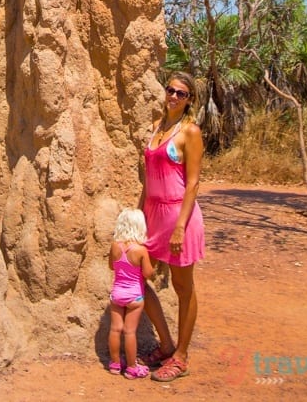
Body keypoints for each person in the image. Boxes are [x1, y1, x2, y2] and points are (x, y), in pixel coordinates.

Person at [140, 71, 205, 382]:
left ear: (190, 99)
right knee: (135, 274)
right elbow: (147, 179)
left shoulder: (190, 132)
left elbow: (192, 184)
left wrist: (180, 227)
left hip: (180, 216)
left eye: (182, 93)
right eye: (171, 90)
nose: (175, 96)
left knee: (183, 288)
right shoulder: (156, 129)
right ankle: (165, 344)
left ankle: (181, 355)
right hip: (152, 215)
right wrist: (140, 215)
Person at [107, 208, 154, 379]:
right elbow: (148, 273)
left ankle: (114, 364)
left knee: (115, 329)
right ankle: (132, 367)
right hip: (135, 296)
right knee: (129, 332)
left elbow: (112, 266)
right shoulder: (141, 250)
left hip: (117, 294)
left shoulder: (114, 246)